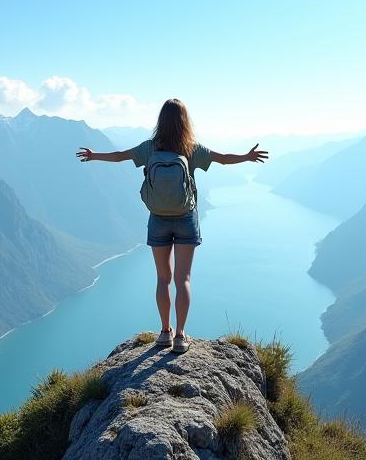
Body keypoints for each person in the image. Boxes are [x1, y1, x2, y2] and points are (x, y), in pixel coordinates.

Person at [76, 98, 267, 353]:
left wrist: (94, 156)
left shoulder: (150, 148)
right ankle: (180, 335)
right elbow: (222, 159)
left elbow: (121, 156)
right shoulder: (191, 148)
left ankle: (164, 332)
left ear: (160, 121)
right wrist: (247, 157)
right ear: (185, 121)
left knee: (163, 279)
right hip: (187, 218)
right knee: (183, 279)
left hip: (158, 219)